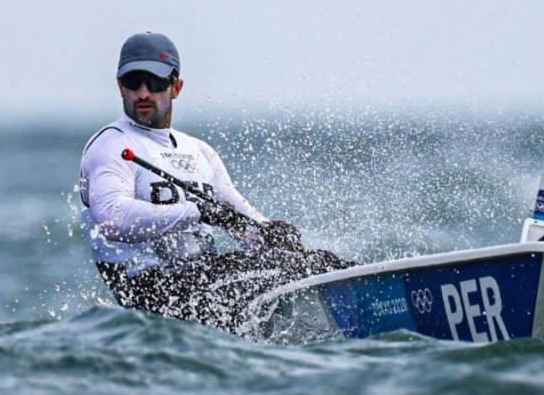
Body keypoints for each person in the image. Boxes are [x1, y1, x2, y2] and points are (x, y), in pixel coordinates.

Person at [79, 32, 352, 333]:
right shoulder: (111, 147)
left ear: (176, 87)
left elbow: (240, 216)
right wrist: (196, 212)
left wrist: (268, 232)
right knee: (291, 269)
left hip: (204, 279)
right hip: (154, 296)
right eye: (133, 82)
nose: (143, 93)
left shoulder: (200, 152)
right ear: (120, 86)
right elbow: (112, 220)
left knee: (310, 261)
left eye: (155, 83)